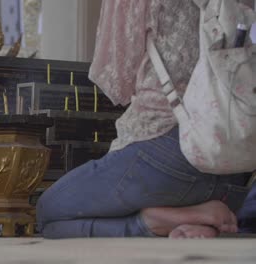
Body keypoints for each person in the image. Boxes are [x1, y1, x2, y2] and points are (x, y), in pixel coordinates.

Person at [36, 0, 254, 239]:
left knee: (49, 211)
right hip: (234, 161)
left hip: (169, 153)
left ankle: (152, 222)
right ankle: (192, 216)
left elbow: (115, 81)